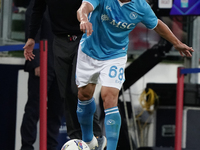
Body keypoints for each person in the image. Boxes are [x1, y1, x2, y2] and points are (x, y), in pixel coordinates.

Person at [74, 0, 194, 150]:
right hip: (89, 52)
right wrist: (84, 19)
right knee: (84, 95)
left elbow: (157, 24)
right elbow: (83, 7)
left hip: (114, 56)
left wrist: (176, 43)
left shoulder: (140, 6)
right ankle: (89, 141)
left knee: (109, 96)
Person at [23, 0, 106, 150]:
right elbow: (36, 10)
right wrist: (31, 38)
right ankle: (76, 139)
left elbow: (97, 6)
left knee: (79, 90)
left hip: (84, 39)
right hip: (59, 41)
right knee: (66, 94)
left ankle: (96, 136)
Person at [20, 1, 64, 150]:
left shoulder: (66, 6)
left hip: (61, 65)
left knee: (56, 110)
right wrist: (37, 62)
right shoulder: (37, 5)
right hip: (43, 65)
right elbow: (32, 32)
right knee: (34, 109)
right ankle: (27, 146)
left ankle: (51, 146)